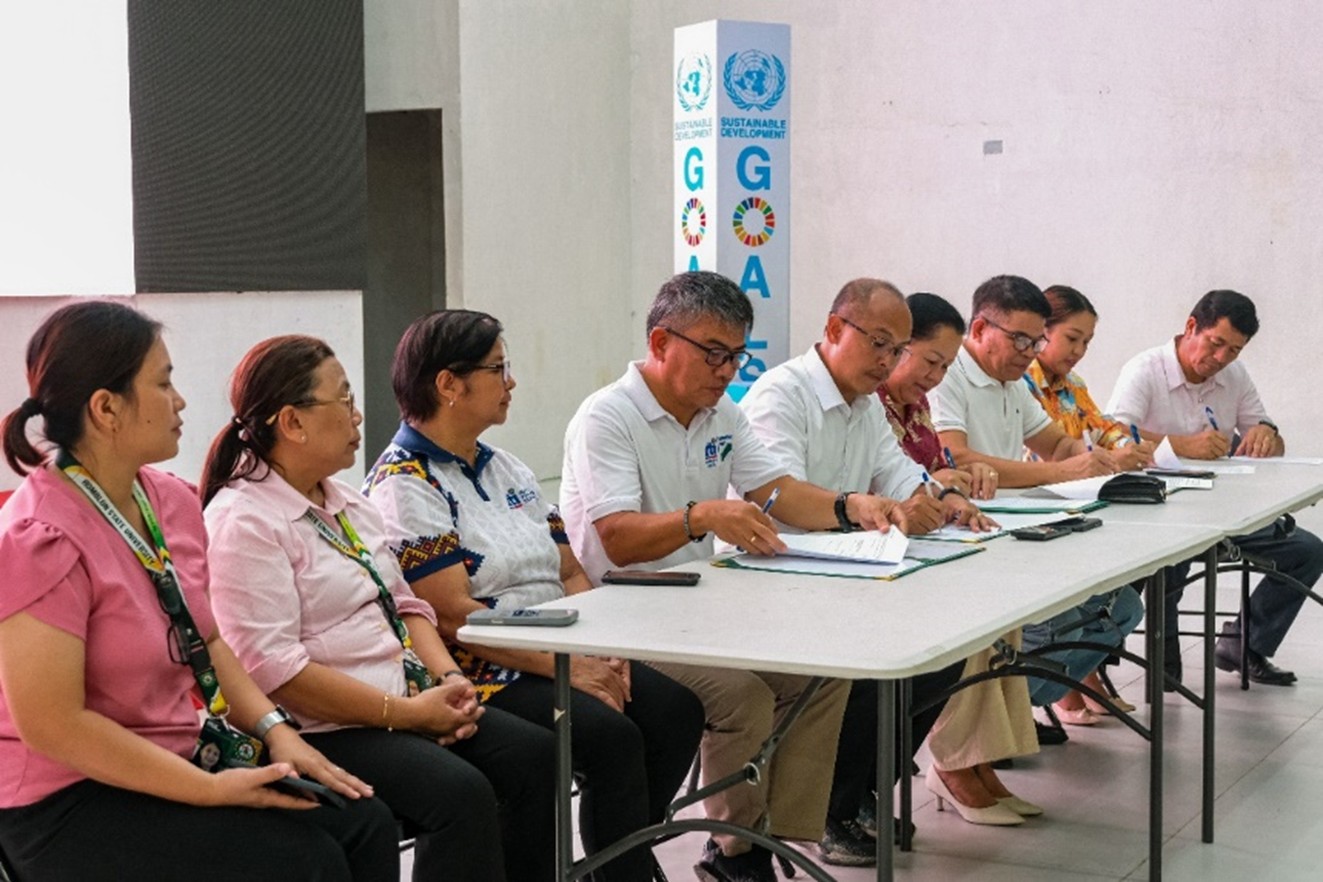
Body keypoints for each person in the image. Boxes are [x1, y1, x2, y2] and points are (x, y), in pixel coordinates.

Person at [0, 302, 398, 881]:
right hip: (69, 793)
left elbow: (207, 641)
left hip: (177, 753)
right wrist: (206, 792)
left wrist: (276, 733)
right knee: (303, 863)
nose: (181, 400)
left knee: (365, 821)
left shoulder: (169, 501)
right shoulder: (41, 537)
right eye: (162, 383)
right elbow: (54, 726)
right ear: (107, 408)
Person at [561, 271, 910, 882]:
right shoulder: (609, 416)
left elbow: (773, 489)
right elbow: (616, 537)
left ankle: (772, 833)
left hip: (700, 603)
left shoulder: (719, 412)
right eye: (712, 353)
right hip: (625, 611)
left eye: (736, 355)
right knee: (742, 695)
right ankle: (734, 851)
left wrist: (849, 505)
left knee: (819, 670)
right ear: (660, 341)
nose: (726, 371)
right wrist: (701, 516)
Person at [362, 309, 705, 881]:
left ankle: (618, 858)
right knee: (611, 738)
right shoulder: (406, 483)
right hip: (484, 667)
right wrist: (568, 668)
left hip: (560, 648)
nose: (511, 382)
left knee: (675, 712)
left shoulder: (507, 469)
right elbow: (453, 617)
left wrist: (603, 649)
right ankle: (620, 869)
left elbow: (570, 573)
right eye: (498, 369)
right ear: (448, 384)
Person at [200, 335, 556, 882]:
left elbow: (408, 605)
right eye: (342, 401)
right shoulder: (245, 521)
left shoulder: (347, 503)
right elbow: (274, 670)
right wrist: (409, 715)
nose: (358, 414)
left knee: (533, 757)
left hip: (405, 694)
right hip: (326, 723)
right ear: (292, 422)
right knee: (460, 794)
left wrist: (447, 678)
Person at [741, 279, 1026, 853]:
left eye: (896, 350)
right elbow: (778, 499)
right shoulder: (782, 395)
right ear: (832, 330)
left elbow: (897, 472)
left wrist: (947, 502)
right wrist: (857, 510)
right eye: (878, 343)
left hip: (845, 570)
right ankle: (830, 808)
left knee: (941, 654)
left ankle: (861, 789)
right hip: (781, 574)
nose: (888, 361)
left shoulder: (864, 405)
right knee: (878, 658)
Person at [929, 275, 1145, 727]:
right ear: (981, 328)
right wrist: (1062, 470)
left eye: (1036, 341)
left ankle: (1010, 714)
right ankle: (987, 720)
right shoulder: (947, 377)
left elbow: (1056, 444)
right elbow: (958, 457)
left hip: (1016, 525)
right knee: (1062, 620)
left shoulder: (1012, 382)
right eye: (1021, 340)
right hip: (970, 536)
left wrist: (1094, 458)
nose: (1030, 353)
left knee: (1124, 606)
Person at [875, 290, 1045, 825]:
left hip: (921, 549)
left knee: (1004, 612)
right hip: (880, 560)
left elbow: (929, 476)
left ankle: (983, 762)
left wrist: (950, 490)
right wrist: (940, 487)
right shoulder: (871, 404)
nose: (935, 376)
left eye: (945, 366)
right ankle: (953, 764)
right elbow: (884, 487)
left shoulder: (917, 406)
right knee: (973, 616)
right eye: (929, 361)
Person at [1107, 289, 1323, 686]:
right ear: (1191, 327)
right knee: (1169, 563)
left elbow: (1266, 434)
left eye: (1234, 351)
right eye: (1216, 344)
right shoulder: (1145, 369)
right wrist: (1179, 446)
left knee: (1307, 551)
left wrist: (1266, 433)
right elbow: (1111, 434)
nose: (1221, 359)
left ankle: (1245, 644)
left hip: (1225, 510)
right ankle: (1164, 666)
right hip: (1161, 515)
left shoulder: (1233, 376)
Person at [1025, 285, 1156, 722]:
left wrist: (1128, 447)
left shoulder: (1072, 385)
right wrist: (1101, 455)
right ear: (1042, 332)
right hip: (1039, 506)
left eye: (1087, 342)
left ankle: (1075, 675)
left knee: (1124, 588)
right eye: (1072, 338)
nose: (1079, 351)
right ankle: (1066, 680)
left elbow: (1104, 429)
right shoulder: (1020, 380)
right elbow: (1037, 456)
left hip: (1077, 503)